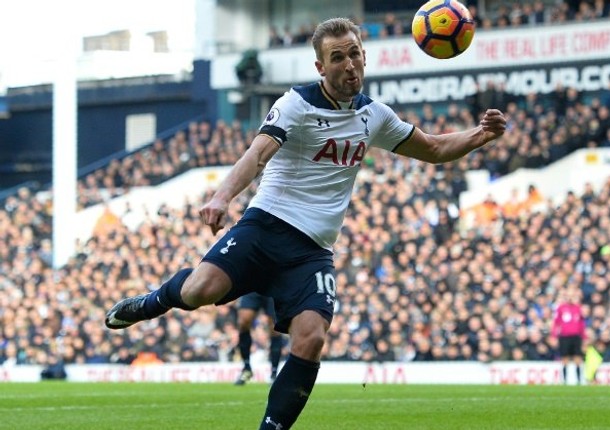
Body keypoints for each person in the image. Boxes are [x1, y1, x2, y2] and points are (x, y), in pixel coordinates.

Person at [104, 17, 506, 430]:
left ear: (364, 57)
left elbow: (435, 148)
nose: (349, 64)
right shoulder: (297, 103)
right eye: (337, 58)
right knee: (198, 291)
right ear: (320, 68)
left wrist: (479, 135)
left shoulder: (375, 116)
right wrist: (223, 196)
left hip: (312, 251)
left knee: (312, 338)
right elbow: (258, 153)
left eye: (354, 54)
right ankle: (148, 303)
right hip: (265, 226)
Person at [234, 292, 285, 385]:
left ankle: (274, 373)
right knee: (243, 321)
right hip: (252, 285)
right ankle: (246, 368)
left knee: (275, 326)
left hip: (273, 286)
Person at [551, 288, 585, 384]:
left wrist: (584, 337)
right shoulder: (561, 308)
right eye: (568, 296)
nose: (570, 298)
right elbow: (556, 323)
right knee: (564, 358)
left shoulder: (578, 308)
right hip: (564, 336)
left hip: (576, 337)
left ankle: (579, 380)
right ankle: (564, 380)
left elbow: (581, 324)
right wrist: (554, 336)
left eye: (572, 296)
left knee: (578, 358)